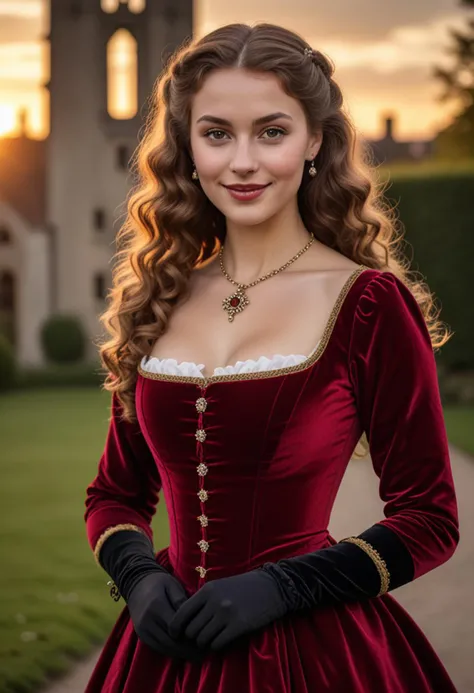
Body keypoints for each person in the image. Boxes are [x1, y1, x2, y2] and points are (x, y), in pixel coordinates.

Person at [83, 21, 460, 693]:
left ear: (316, 139)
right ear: (188, 148)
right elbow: (115, 492)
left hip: (313, 654)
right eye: (218, 133)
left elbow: (430, 517)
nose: (243, 162)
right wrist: (139, 576)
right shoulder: (158, 298)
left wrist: (284, 585)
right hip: (161, 658)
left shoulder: (368, 304)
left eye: (272, 131)